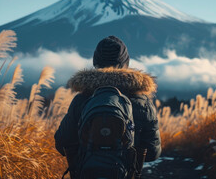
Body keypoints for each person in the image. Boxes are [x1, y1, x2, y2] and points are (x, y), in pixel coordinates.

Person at [54, 35, 161, 178]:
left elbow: (62, 144)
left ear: (95, 62)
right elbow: (152, 152)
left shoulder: (82, 99)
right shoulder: (142, 101)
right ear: (126, 63)